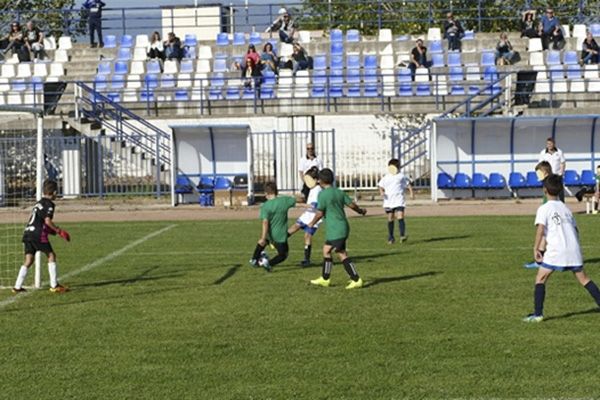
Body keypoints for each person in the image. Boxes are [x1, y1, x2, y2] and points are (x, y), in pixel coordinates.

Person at [523, 174, 600, 322]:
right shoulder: (565, 208)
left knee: (541, 278)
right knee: (584, 279)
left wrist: (536, 248)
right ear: (560, 190)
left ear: (545, 190)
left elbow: (540, 229)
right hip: (573, 249)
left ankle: (538, 315)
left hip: (557, 250)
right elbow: (575, 230)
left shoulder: (544, 208)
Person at [307, 168, 367, 289]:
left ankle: (356, 279)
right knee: (326, 250)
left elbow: (320, 213)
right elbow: (352, 205)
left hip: (336, 229)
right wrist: (360, 211)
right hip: (341, 227)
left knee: (341, 253)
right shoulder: (339, 192)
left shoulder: (322, 194)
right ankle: (325, 279)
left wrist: (311, 223)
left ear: (320, 181)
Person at [12, 179, 70, 294]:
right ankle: (54, 285)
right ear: (54, 192)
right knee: (51, 255)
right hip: (38, 234)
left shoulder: (38, 203)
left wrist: (52, 231)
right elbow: (47, 221)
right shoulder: (49, 204)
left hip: (28, 232)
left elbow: (40, 221)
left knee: (29, 259)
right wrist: (59, 231)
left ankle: (17, 286)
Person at [249, 182, 296, 272]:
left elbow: (265, 222)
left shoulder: (265, 206)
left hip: (270, 234)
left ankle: (254, 259)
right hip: (280, 236)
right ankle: (269, 263)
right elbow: (296, 202)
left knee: (263, 242)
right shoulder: (284, 201)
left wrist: (263, 237)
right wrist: (310, 206)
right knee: (283, 255)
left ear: (266, 193)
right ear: (276, 191)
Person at [287, 167, 322, 267]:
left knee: (307, 236)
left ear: (316, 180)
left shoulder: (318, 189)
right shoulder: (311, 189)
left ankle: (307, 260)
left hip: (314, 217)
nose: (307, 182)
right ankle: (278, 242)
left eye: (309, 180)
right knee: (294, 227)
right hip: (307, 214)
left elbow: (314, 205)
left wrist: (300, 204)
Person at [378, 159, 414, 245]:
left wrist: (411, 193)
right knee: (390, 218)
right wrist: (381, 192)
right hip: (388, 201)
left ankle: (402, 235)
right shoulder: (386, 177)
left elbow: (408, 185)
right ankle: (391, 237)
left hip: (399, 200)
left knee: (400, 216)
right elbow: (380, 186)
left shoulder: (401, 176)